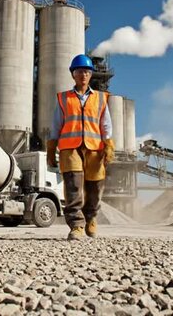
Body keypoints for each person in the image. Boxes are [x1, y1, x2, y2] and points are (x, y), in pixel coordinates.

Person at [46, 54, 115, 241]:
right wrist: (51, 148)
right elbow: (56, 125)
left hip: (95, 148)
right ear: (73, 75)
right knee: (73, 187)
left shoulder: (101, 98)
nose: (83, 75)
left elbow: (106, 125)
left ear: (91, 75)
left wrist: (108, 145)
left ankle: (91, 219)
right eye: (79, 72)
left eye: (86, 71)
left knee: (94, 187)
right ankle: (76, 225)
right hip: (70, 148)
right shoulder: (63, 98)